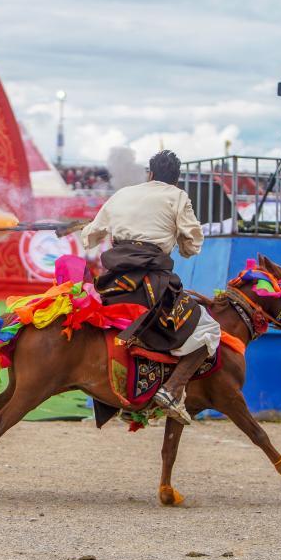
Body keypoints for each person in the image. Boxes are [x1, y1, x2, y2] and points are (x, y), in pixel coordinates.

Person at [79, 150, 221, 425]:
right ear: (176, 180)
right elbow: (193, 244)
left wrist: (97, 228)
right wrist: (179, 241)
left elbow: (90, 237)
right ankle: (171, 390)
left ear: (150, 173)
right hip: (150, 284)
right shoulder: (178, 197)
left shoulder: (121, 194)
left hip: (113, 282)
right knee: (209, 329)